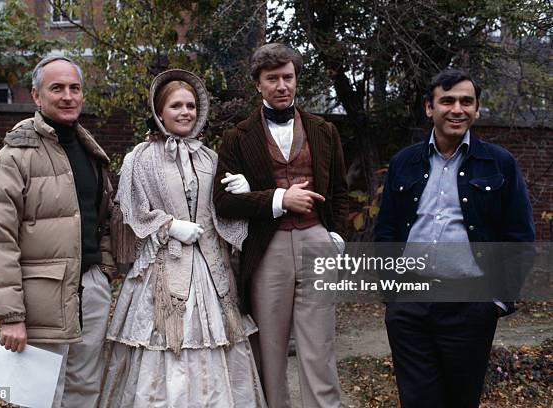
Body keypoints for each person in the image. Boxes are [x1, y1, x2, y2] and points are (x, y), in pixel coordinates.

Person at [99, 69, 266, 407]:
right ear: (160, 112)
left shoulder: (209, 158)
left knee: (217, 345)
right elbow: (129, 209)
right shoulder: (141, 157)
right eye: (176, 105)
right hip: (163, 268)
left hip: (210, 270)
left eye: (190, 105)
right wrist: (169, 226)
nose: (185, 112)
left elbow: (222, 209)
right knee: (162, 348)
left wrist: (244, 193)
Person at [374, 69, 535, 407]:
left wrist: (497, 300)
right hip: (410, 302)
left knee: (460, 400)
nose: (457, 109)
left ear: (476, 110)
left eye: (466, 101)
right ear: (429, 108)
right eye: (447, 101)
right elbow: (386, 231)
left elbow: (519, 237)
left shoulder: (499, 163)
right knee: (417, 400)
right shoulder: (404, 162)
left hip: (471, 305)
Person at [213, 43, 351, 408]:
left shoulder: (324, 130)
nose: (282, 86)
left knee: (319, 344)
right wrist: (277, 199)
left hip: (317, 242)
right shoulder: (237, 137)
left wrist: (334, 235)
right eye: (272, 79)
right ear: (258, 84)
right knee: (269, 346)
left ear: (296, 80)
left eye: (287, 77)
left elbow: (339, 191)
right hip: (267, 246)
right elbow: (223, 203)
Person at [0, 56, 116, 406]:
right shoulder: (15, 157)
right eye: (57, 88)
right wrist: (10, 315)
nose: (68, 96)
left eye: (75, 88)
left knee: (84, 388)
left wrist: (105, 271)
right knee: (39, 395)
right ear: (37, 96)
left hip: (91, 291)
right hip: (40, 299)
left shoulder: (90, 151)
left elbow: (103, 220)